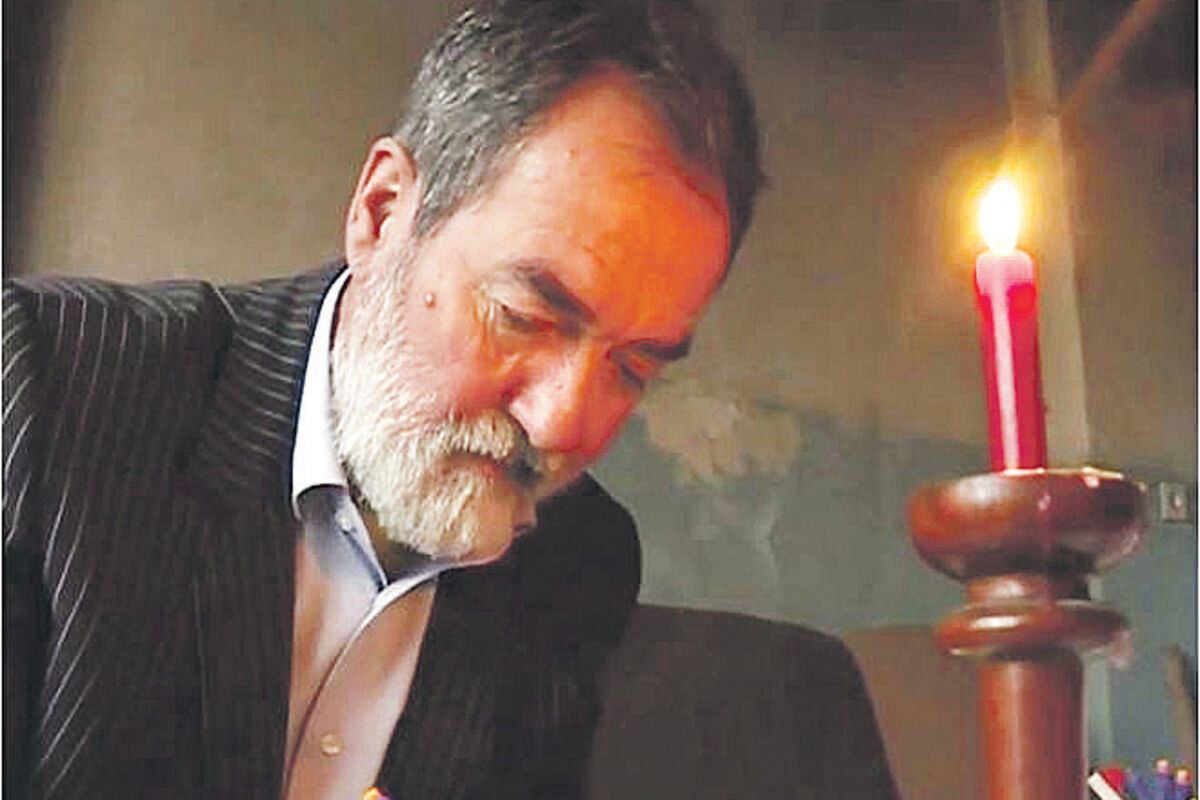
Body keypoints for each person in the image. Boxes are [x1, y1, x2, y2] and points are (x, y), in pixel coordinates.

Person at [3, 1, 891, 798]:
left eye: (633, 370)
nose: (560, 425)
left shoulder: (578, 561)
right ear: (382, 211)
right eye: (521, 317)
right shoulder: (42, 384)